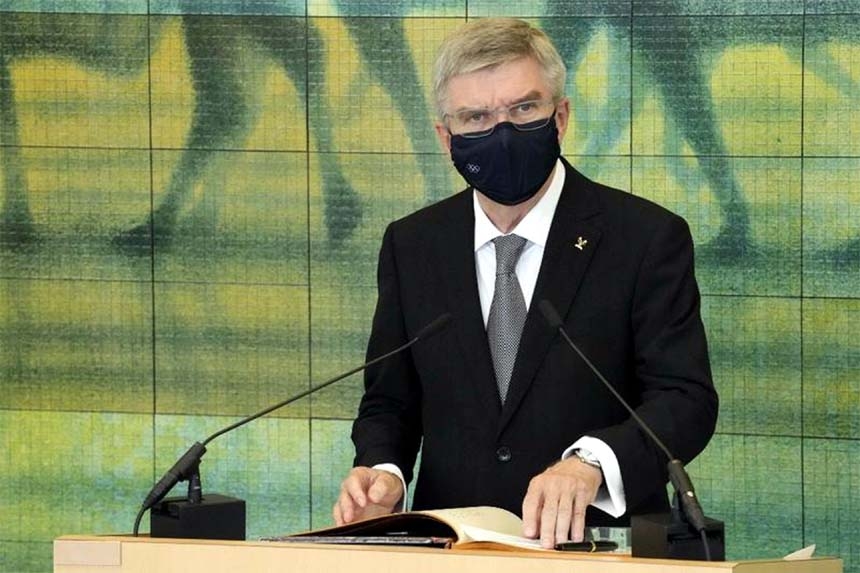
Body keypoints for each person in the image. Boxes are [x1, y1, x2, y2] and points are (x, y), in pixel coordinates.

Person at [333, 17, 718, 549]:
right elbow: (389, 403)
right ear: (446, 136)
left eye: (523, 109)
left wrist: (592, 465)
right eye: (476, 117)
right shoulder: (413, 245)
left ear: (560, 116)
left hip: (601, 548)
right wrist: (385, 474)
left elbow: (685, 399)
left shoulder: (646, 238)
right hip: (452, 549)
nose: (502, 131)